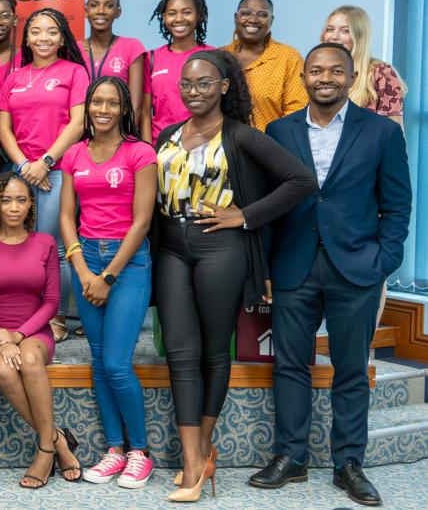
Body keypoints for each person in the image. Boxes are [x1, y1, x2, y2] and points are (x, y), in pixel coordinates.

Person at [252, 43, 411, 508]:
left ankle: (348, 464)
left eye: (335, 71)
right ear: (303, 77)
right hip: (293, 264)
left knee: (350, 370)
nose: (326, 78)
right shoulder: (278, 130)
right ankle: (291, 457)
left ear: (351, 75)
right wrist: (262, 266)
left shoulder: (380, 132)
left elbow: (398, 204)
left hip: (357, 267)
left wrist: (384, 260)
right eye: (316, 70)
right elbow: (266, 205)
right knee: (290, 365)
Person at [152, 50, 315, 503]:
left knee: (211, 350)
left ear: (224, 86)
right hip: (170, 245)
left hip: (219, 246)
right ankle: (194, 461)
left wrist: (245, 215)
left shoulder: (241, 136)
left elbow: (300, 181)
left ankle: (203, 449)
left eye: (204, 83)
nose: (194, 91)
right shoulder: (167, 135)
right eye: (187, 83)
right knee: (179, 353)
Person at [57, 77, 157, 488]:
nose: (102, 109)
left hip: (128, 264)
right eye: (96, 102)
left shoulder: (140, 152)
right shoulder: (74, 153)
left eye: (111, 103)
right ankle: (114, 449)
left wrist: (109, 275)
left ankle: (141, 452)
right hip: (86, 260)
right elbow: (66, 216)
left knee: (116, 362)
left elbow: (143, 222)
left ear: (123, 109)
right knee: (99, 362)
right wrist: (82, 271)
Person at [0, 172, 78, 489]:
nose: (13, 207)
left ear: (31, 205)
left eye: (21, 200)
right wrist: (1, 338)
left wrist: (17, 335)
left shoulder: (44, 243)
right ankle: (57, 440)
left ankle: (45, 451)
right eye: (6, 200)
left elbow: (52, 302)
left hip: (34, 330)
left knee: (29, 361)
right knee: (3, 366)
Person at [0, 7, 89, 332]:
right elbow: (4, 129)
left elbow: (78, 123)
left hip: (59, 171)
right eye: (36, 31)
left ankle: (56, 317)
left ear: (62, 37)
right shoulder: (15, 77)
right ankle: (25, 313)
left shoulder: (74, 73)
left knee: (53, 248)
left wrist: (45, 162)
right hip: (20, 173)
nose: (43, 37)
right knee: (18, 245)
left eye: (51, 31)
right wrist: (24, 166)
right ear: (27, 38)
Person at [223, 0, 308, 130]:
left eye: (262, 15)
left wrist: (269, 144)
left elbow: (297, 109)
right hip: (223, 146)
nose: (253, 19)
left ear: (271, 20)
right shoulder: (220, 56)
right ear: (236, 18)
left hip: (270, 145)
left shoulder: (288, 57)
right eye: (245, 13)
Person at [142, 0, 214, 143]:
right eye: (172, 13)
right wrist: (148, 152)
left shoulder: (213, 56)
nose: (179, 19)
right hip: (162, 147)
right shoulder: (151, 58)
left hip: (203, 146)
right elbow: (145, 113)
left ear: (199, 15)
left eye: (187, 12)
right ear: (164, 17)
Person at [321, 5, 407, 126]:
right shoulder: (317, 73)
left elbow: (395, 133)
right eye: (330, 29)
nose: (334, 36)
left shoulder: (382, 73)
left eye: (345, 31)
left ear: (359, 36)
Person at [80, 0, 145, 115]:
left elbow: (135, 105)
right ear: (85, 11)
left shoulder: (131, 47)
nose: (101, 11)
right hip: (80, 132)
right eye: (94, 5)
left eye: (109, 5)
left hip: (118, 130)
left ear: (118, 12)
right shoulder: (73, 49)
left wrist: (125, 136)